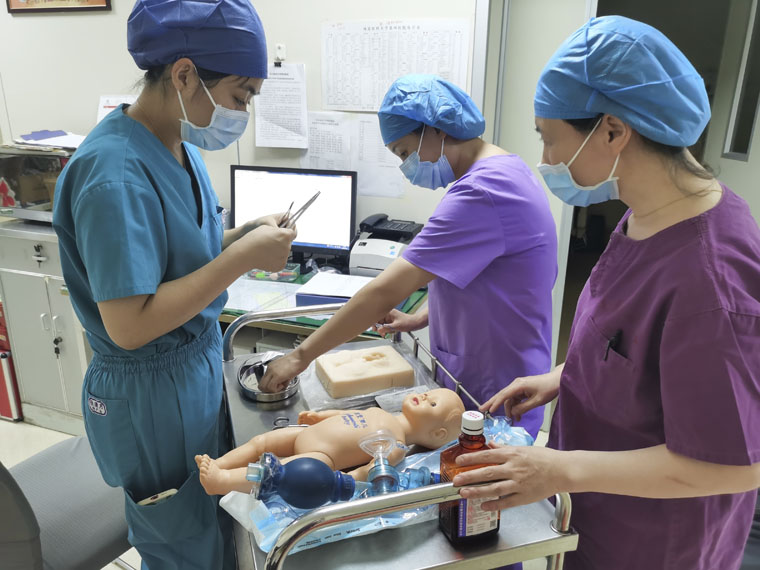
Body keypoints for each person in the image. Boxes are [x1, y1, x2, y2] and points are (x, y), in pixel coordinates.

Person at [451, 16, 760, 570]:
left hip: (656, 542)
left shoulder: (712, 280)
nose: (546, 161)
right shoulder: (646, 214)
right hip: (595, 513)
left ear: (613, 131)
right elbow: (631, 338)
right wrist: (564, 376)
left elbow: (734, 464)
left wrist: (560, 468)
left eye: (549, 138)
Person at [52, 1, 296, 567]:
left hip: (190, 371)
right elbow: (130, 323)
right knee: (181, 545)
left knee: (214, 530)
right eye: (240, 96)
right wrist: (241, 260)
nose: (242, 112)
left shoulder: (176, 143)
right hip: (150, 394)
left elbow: (177, 254)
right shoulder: (113, 174)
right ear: (184, 75)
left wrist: (240, 236)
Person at [261, 74, 557, 438]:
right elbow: (485, 273)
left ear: (435, 129)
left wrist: (299, 357)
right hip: (486, 370)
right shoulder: (503, 170)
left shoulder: (483, 192)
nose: (406, 167)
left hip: (493, 389)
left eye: (404, 153)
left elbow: (385, 291)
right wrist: (422, 317)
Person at [195, 388, 465, 495]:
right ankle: (221, 462)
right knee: (261, 442)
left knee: (276, 472)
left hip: (322, 455)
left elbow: (368, 471)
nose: (424, 395)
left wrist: (347, 480)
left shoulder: (397, 445)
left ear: (438, 435)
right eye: (429, 392)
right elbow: (348, 415)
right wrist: (320, 417)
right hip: (309, 432)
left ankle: (222, 481)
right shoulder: (382, 412)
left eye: (432, 403)